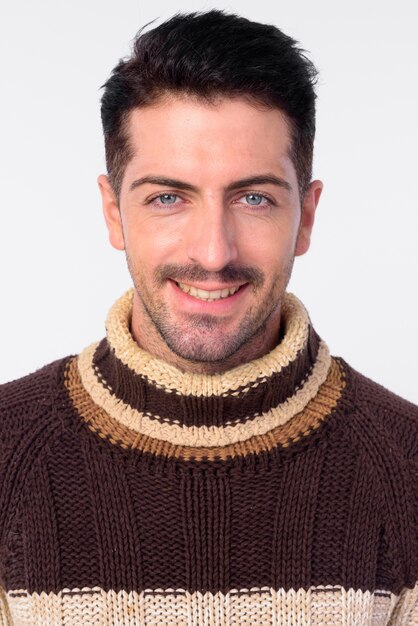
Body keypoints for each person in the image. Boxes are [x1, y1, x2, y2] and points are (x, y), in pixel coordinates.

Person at [0, 9, 416, 625]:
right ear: (114, 213)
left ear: (305, 215)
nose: (214, 253)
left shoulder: (407, 468)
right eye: (168, 197)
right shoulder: (7, 453)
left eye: (254, 198)